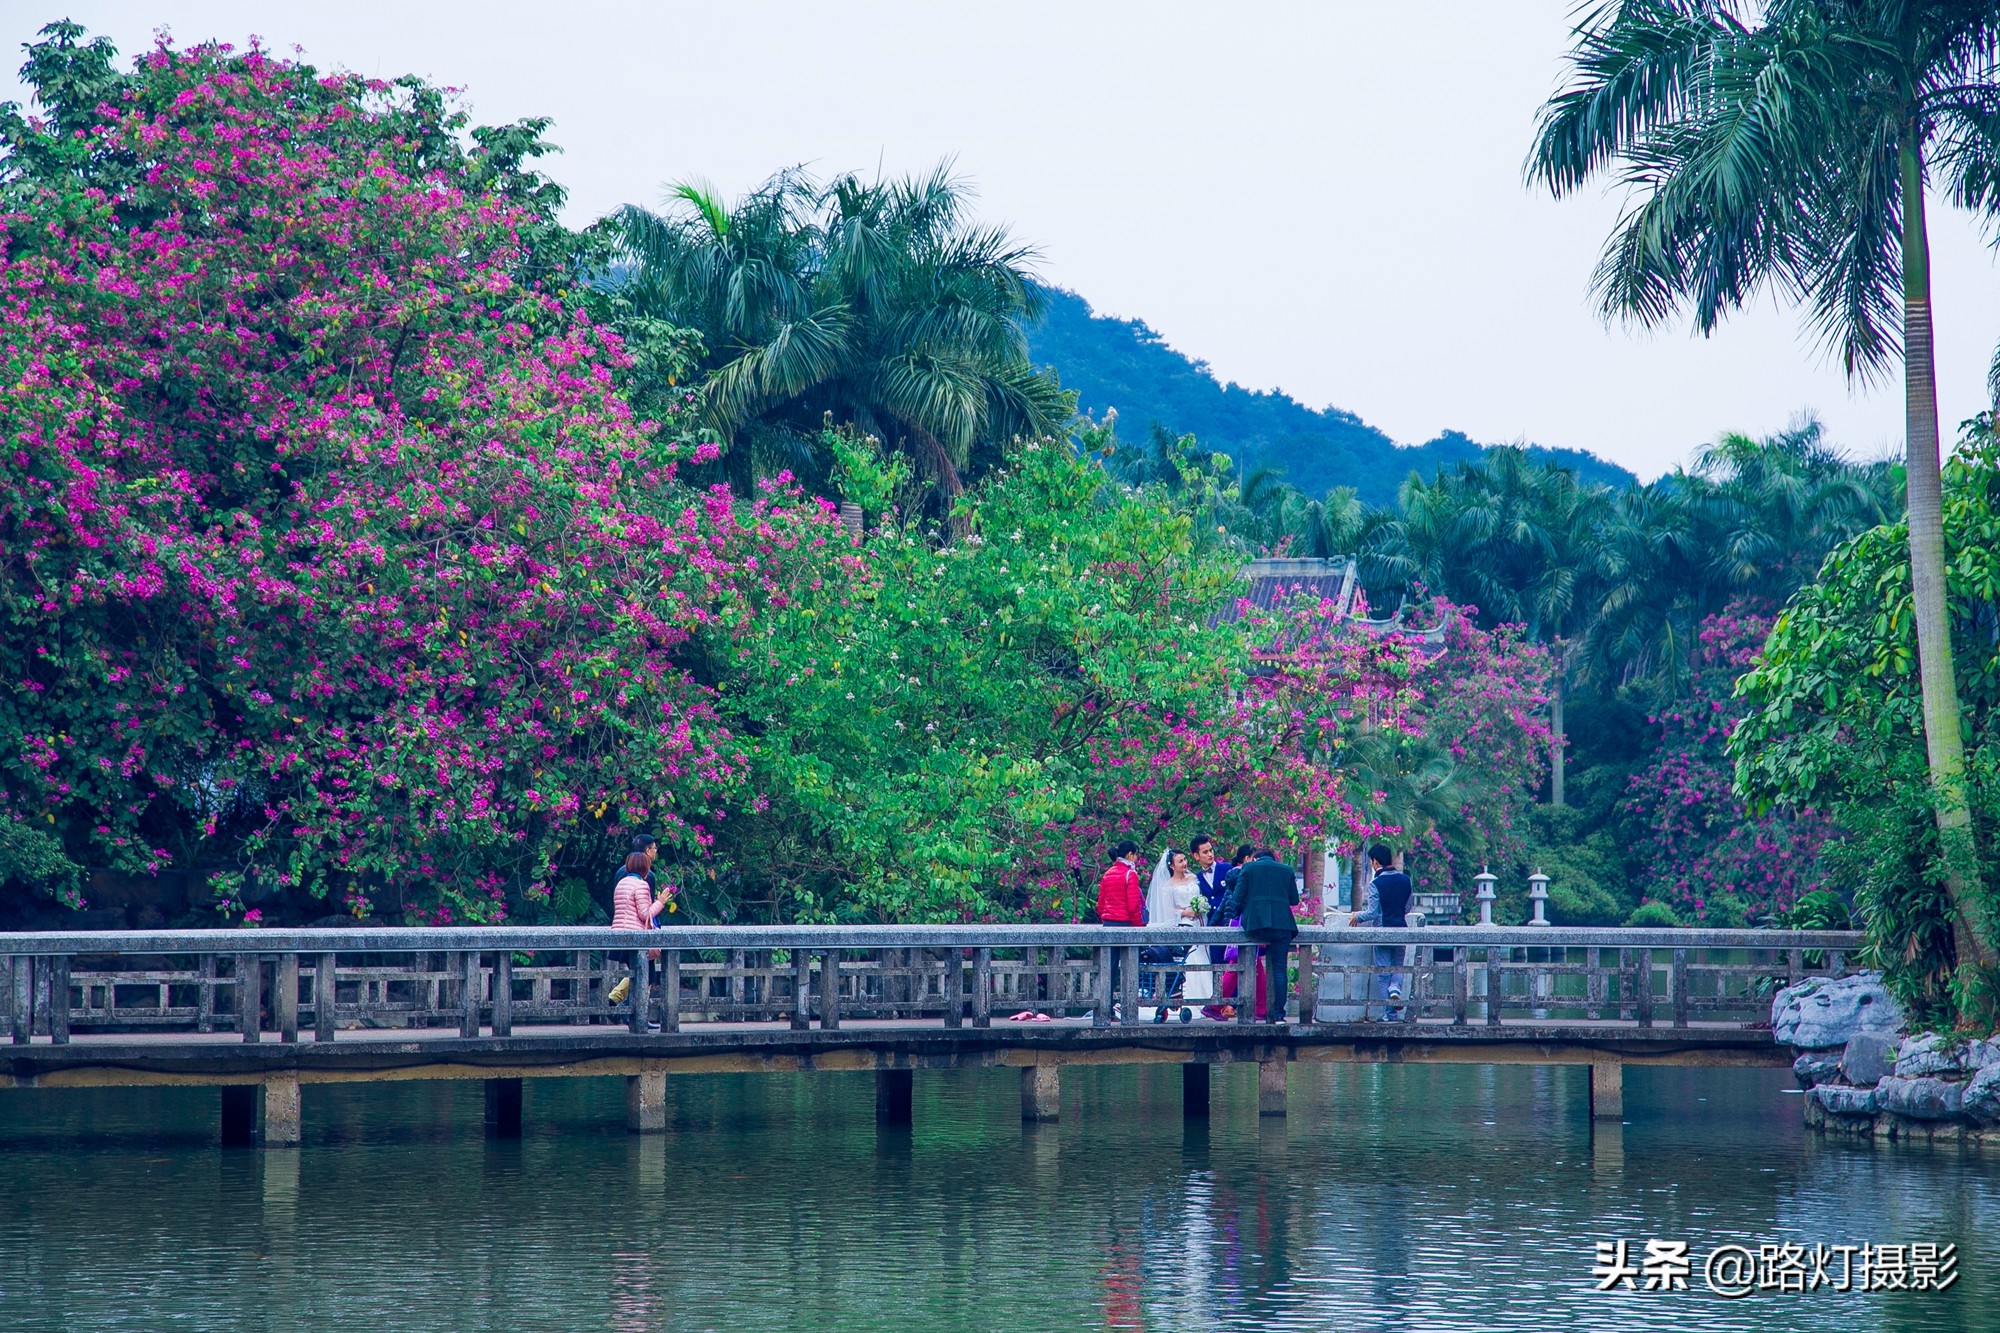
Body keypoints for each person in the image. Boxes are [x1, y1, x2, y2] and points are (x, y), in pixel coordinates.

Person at [1222, 848, 1301, 1023]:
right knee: (1280, 969)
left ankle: (1248, 1014)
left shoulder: (1248, 868)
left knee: (1249, 963)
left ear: (1256, 858)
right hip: (1282, 925)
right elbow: (1294, 900)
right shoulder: (1286, 870)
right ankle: (1279, 1015)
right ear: (1273, 858)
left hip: (1256, 925)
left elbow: (1237, 898)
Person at [608, 852, 674, 1027]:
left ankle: (634, 1015)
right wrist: (660, 902)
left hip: (620, 936)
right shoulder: (641, 885)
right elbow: (645, 915)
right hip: (636, 938)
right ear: (645, 867)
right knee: (646, 977)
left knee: (640, 976)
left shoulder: (622, 883)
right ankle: (630, 1012)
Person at [1143, 849, 1201, 1022]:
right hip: (1182, 923)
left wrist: (1200, 908)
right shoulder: (1167, 886)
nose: (1184, 863)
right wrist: (1185, 912)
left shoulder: (1193, 878)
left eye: (1185, 859)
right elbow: (1168, 912)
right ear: (1171, 865)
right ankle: (1177, 994)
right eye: (1180, 861)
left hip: (1199, 922)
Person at [1357, 844, 1413, 1020]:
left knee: (1383, 973)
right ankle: (1395, 989)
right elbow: (1408, 907)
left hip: (1382, 931)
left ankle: (1389, 1015)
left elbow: (1372, 913)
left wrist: (1357, 916)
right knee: (1398, 966)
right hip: (1401, 930)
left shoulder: (1375, 884)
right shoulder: (1406, 880)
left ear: (1375, 861)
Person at [1095, 840, 1144, 1024]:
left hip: (1109, 924)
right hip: (1126, 925)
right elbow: (1133, 906)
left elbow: (1100, 904)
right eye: (1136, 855)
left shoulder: (1108, 873)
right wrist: (1139, 927)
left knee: (1109, 969)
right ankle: (1129, 1011)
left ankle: (1105, 1010)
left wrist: (1107, 917)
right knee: (1130, 968)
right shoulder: (1130, 874)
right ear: (1130, 854)